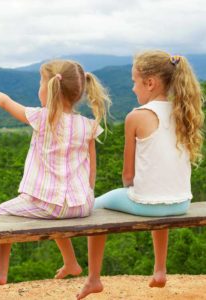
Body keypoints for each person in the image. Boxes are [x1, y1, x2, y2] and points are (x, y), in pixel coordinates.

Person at [0, 59, 111, 285]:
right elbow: (92, 167)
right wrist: (88, 194)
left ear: (50, 89)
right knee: (55, 209)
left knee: (4, 210)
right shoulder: (88, 125)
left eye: (40, 83)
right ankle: (71, 262)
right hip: (82, 205)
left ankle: (0, 269)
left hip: (51, 205)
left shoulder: (42, 118)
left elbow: (5, 102)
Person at [76, 50, 204, 299]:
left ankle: (93, 279)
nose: (133, 88)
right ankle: (160, 269)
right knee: (157, 193)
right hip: (182, 203)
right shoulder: (184, 113)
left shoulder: (136, 116)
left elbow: (127, 175)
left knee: (94, 206)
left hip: (147, 204)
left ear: (150, 83)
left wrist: (131, 188)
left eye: (134, 82)